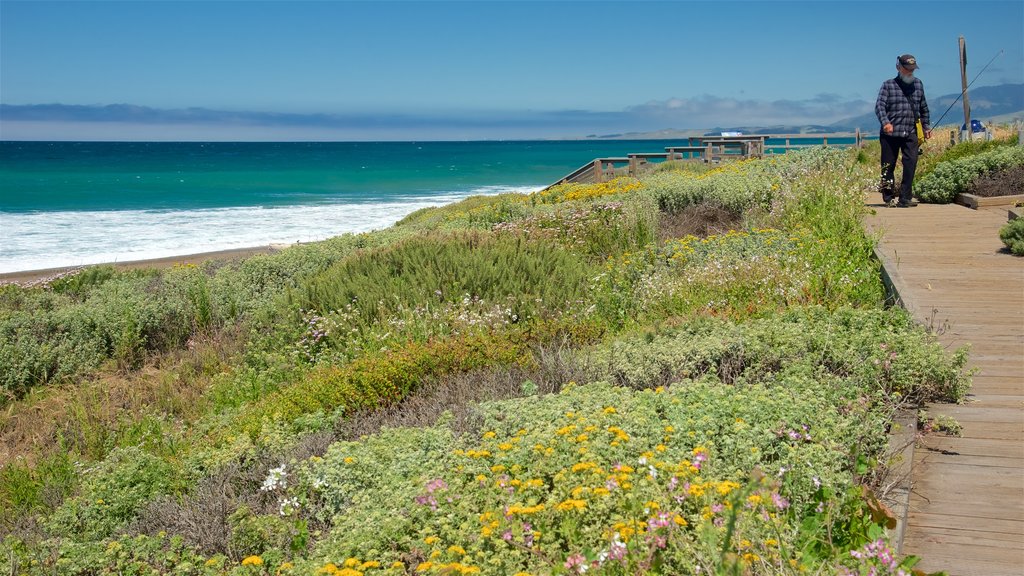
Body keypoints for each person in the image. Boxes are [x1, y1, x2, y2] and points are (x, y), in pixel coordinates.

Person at [875, 54, 931, 208]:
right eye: (907, 69)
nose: (910, 72)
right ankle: (888, 198)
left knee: (911, 163)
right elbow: (879, 106)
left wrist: (926, 127)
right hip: (890, 134)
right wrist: (885, 122)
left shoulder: (918, 84)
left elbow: (924, 108)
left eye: (912, 70)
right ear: (898, 67)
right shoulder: (888, 85)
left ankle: (905, 198)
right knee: (888, 166)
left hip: (910, 131)